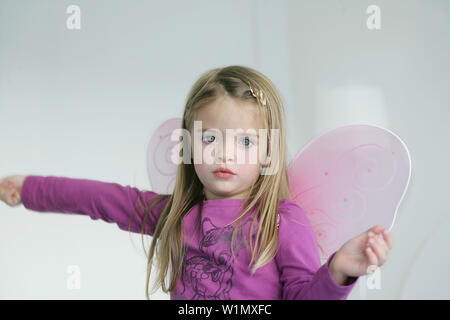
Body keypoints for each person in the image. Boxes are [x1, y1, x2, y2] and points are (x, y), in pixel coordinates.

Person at [0, 65, 392, 300]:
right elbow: (98, 199)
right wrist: (29, 187)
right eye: (210, 139)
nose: (225, 154)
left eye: (245, 142)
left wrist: (339, 271)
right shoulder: (176, 215)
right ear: (187, 146)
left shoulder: (282, 221)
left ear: (268, 152)